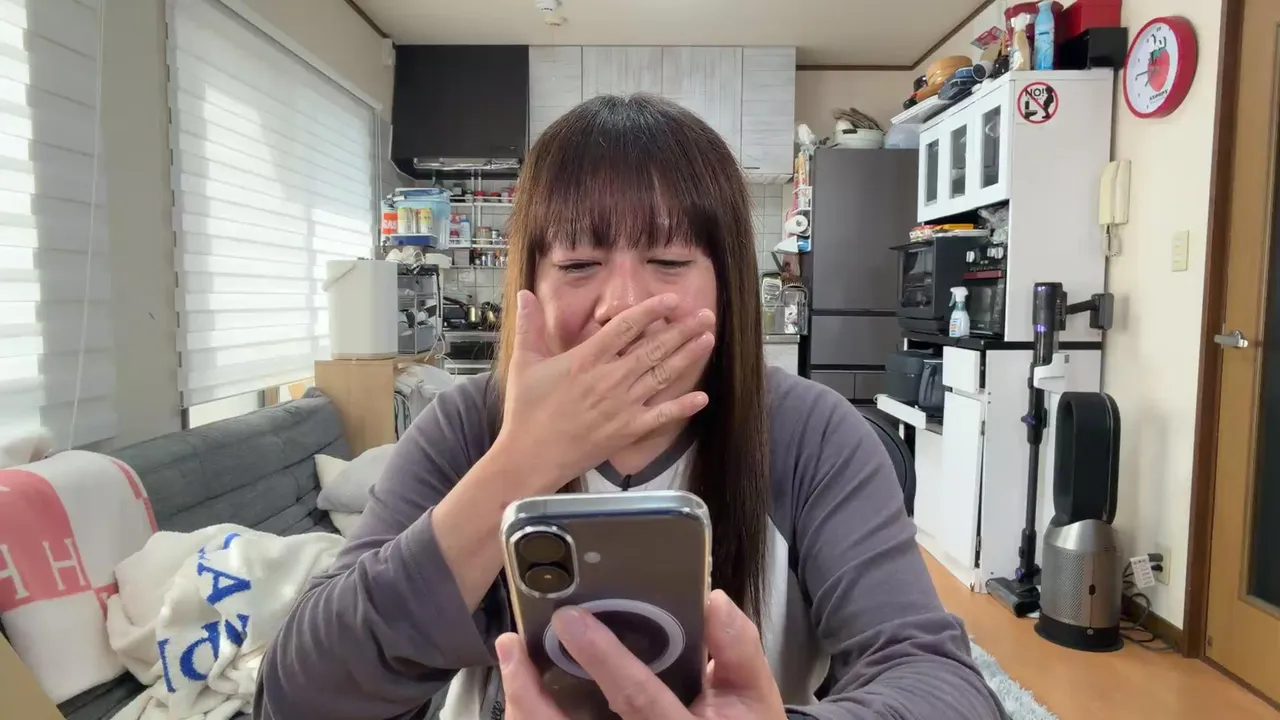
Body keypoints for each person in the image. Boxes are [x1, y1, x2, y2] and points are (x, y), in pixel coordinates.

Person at [255, 94, 1006, 720]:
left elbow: (943, 686)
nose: (623, 305)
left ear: (727, 285)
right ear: (531, 284)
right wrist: (518, 466)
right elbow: (296, 697)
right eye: (579, 263)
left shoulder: (811, 433)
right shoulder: (467, 428)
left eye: (669, 262)